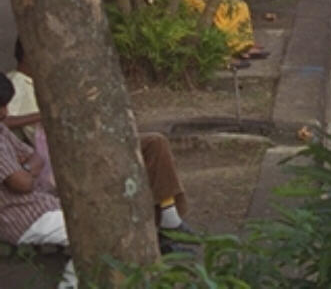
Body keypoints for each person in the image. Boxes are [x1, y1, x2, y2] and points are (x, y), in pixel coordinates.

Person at [7, 43, 194, 245]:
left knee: (154, 144)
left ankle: (169, 215)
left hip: (86, 140)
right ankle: (167, 221)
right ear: (27, 55)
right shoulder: (16, 83)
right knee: (150, 146)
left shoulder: (43, 83)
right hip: (67, 153)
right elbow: (5, 121)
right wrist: (44, 115)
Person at [0, 73, 74, 287]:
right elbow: (21, 184)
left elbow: (36, 156)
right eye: (1, 105)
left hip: (41, 208)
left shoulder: (2, 130)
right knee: (94, 233)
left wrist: (22, 169)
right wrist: (24, 171)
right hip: (19, 219)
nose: (5, 112)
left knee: (97, 225)